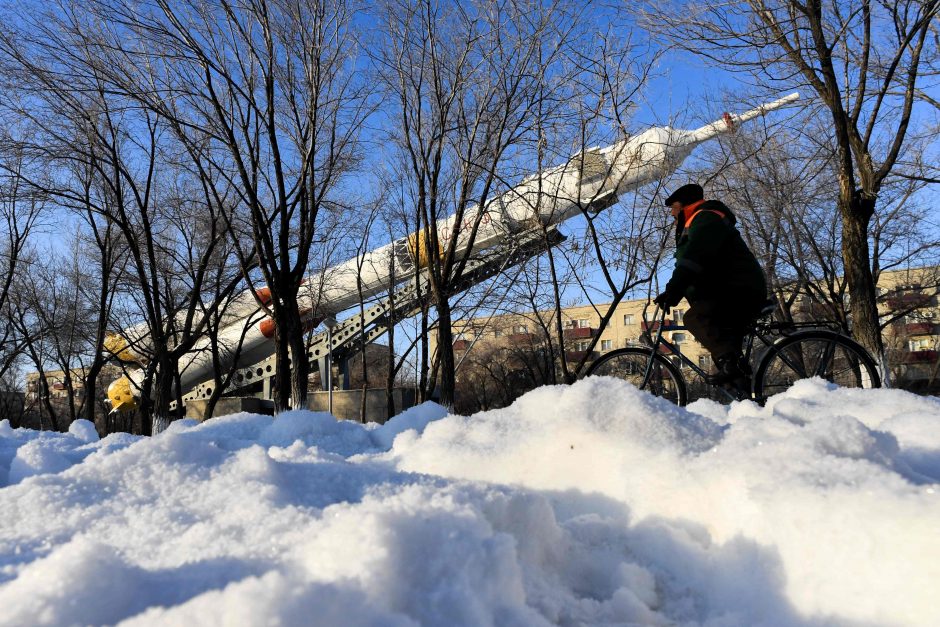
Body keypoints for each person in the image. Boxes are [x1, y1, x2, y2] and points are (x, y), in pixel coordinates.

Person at [654, 183, 767, 395]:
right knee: (727, 360)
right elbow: (689, 264)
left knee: (695, 318)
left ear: (684, 205)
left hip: (740, 290)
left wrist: (674, 291)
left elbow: (695, 258)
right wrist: (675, 289)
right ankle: (747, 401)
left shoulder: (705, 218)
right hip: (732, 291)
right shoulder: (699, 222)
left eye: (674, 207)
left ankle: (732, 368)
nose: (671, 214)